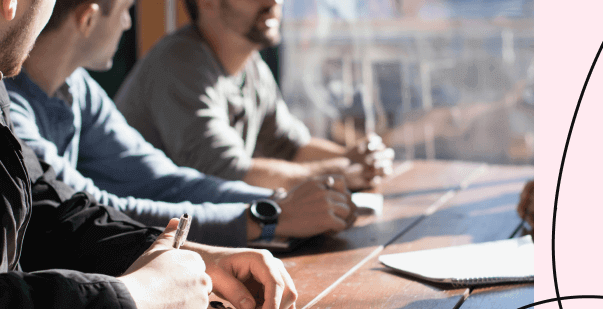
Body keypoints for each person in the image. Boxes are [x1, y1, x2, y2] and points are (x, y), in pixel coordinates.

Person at [0, 0, 296, 309]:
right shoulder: (180, 61)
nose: (128, 23)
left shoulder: (45, 89)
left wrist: (182, 255)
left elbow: (52, 211)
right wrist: (138, 298)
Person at [6, 0, 356, 248]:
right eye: (127, 9)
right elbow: (91, 212)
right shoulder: (10, 111)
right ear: (87, 19)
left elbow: (161, 180)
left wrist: (276, 201)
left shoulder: (76, 87)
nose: (128, 24)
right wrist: (266, 217)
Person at [114, 0, 395, 192]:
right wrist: (342, 171)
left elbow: (290, 146)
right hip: (149, 240)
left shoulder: (251, 65)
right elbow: (227, 174)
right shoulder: (179, 63)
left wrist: (355, 157)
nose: (275, 2)